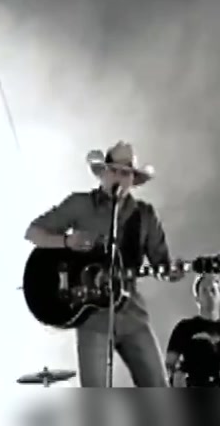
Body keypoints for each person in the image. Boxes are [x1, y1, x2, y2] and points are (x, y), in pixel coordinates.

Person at [24, 141, 185, 387]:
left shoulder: (145, 215)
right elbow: (33, 232)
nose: (118, 177)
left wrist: (173, 271)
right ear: (103, 173)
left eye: (125, 173)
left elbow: (161, 264)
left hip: (132, 315)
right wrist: (66, 241)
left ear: (133, 179)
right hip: (91, 319)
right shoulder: (80, 205)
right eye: (114, 171)